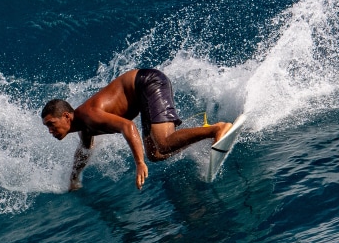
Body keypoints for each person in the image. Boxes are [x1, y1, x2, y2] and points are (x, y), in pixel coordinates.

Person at [41, 68, 232, 191]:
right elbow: (84, 152)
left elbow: (128, 125)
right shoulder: (85, 128)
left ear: (66, 116)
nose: (50, 130)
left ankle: (216, 129)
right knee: (155, 154)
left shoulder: (89, 115)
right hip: (143, 97)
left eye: (51, 124)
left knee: (163, 143)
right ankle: (204, 135)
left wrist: (139, 163)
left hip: (148, 83)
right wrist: (74, 178)